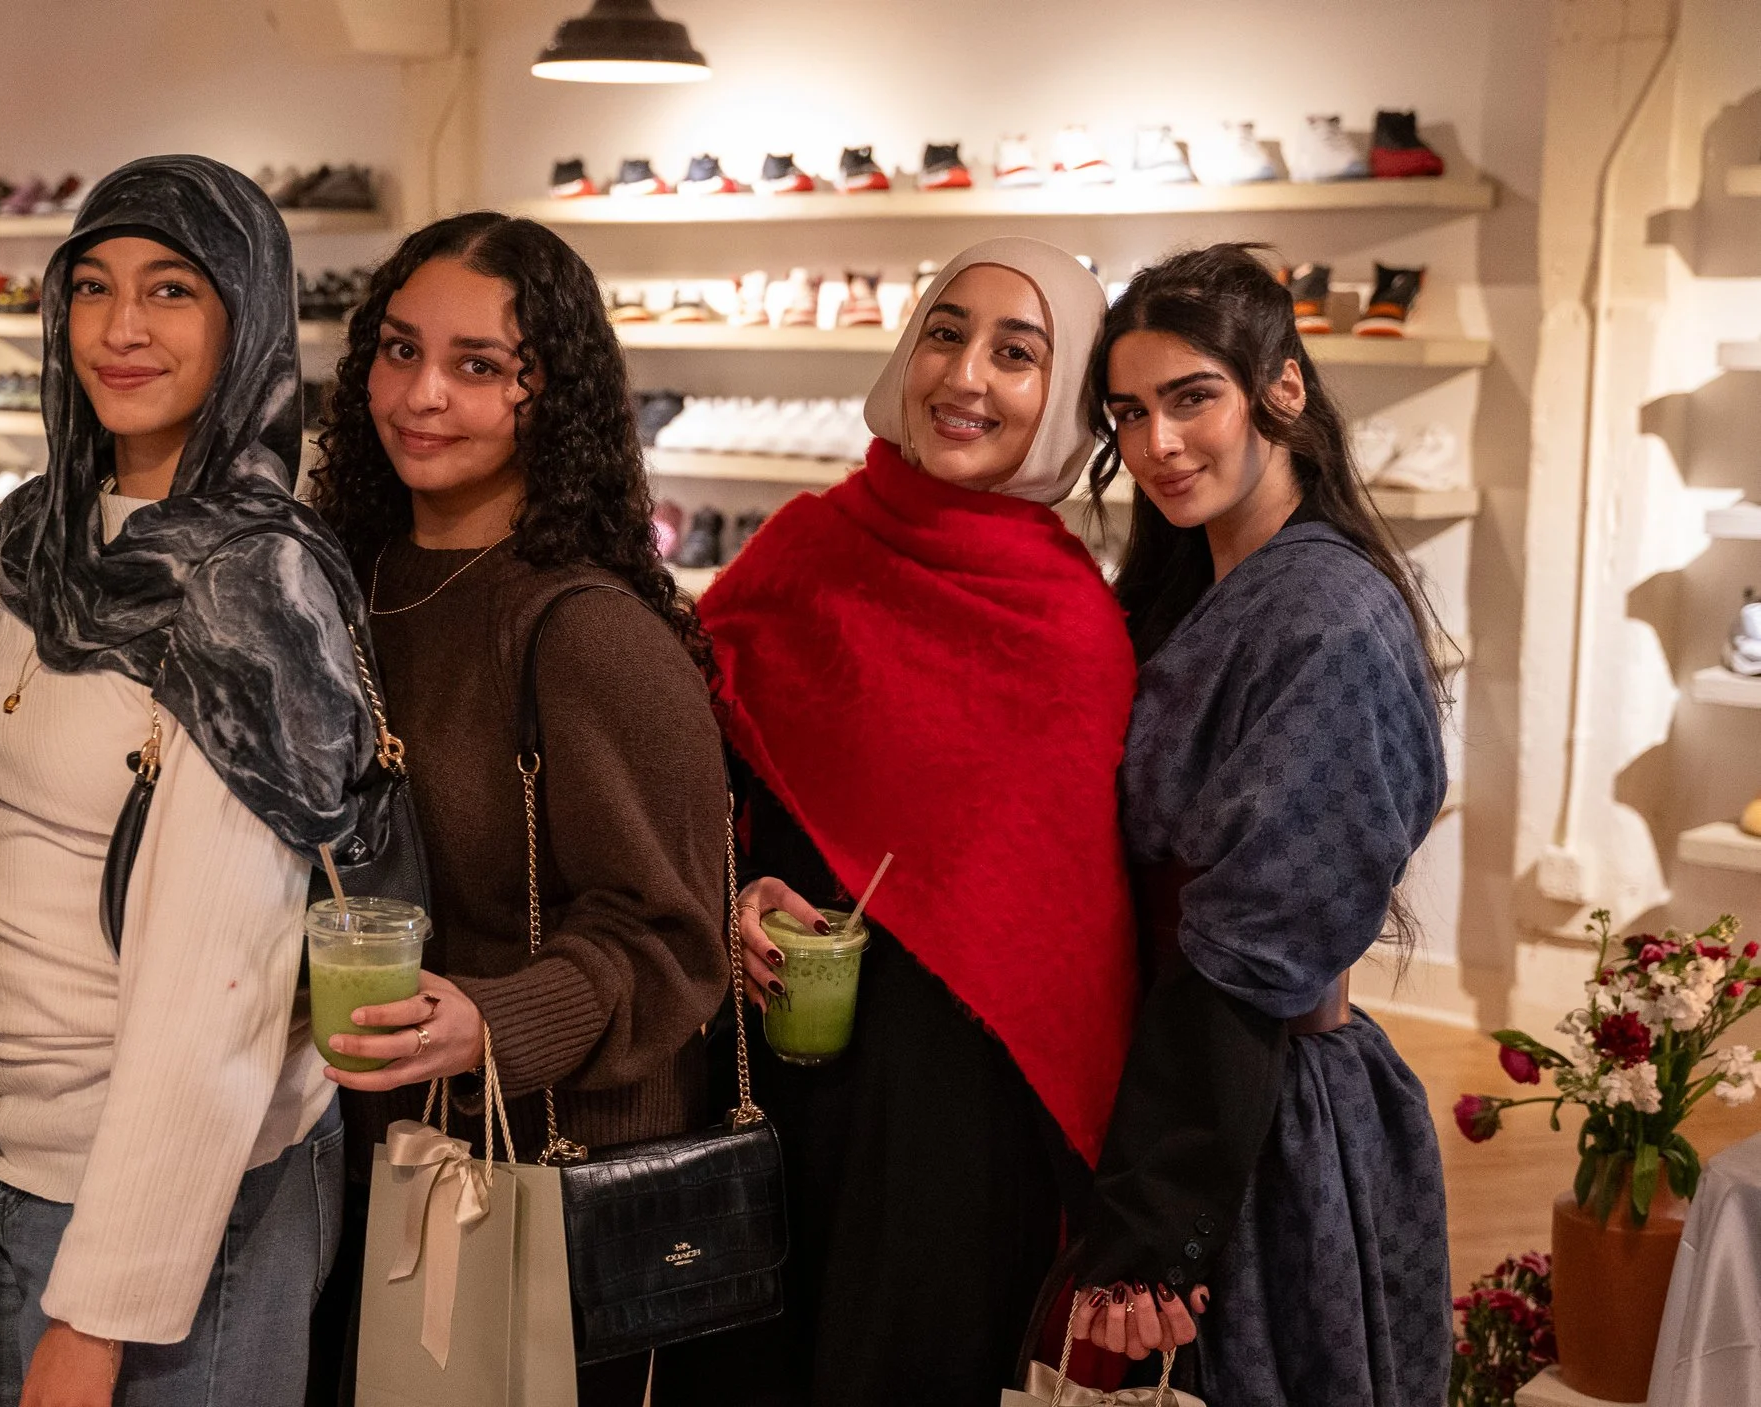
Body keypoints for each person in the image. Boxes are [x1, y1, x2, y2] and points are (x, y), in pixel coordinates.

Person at [663, 237, 1143, 1405]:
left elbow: (1065, 929)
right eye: (946, 332)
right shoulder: (806, 546)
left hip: (952, 1120)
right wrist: (731, 889)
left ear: (1069, 393)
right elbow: (686, 779)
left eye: (1016, 354)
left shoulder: (1070, 626)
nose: (965, 376)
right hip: (771, 1058)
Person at [0, 155, 395, 1407]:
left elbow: (220, 993)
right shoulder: (38, 541)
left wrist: (98, 1317)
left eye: (171, 291)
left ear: (247, 319)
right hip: (15, 1151)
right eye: (91, 285)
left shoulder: (244, 594)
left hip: (162, 1202)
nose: (119, 328)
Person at [309, 211, 732, 1407]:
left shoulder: (585, 630)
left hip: (535, 1175)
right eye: (399, 351)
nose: (422, 395)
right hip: (361, 1159)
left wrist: (492, 1021)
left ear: (550, 396)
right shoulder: (340, 584)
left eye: (479, 367)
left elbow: (673, 936)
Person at [1068, 242, 1451, 1407]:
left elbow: (1252, 946)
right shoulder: (1193, 588)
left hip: (1246, 1115)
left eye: (1191, 399)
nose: (1157, 446)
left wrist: (1154, 1227)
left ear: (1280, 388)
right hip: (1167, 1074)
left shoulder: (1326, 618)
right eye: (1127, 414)